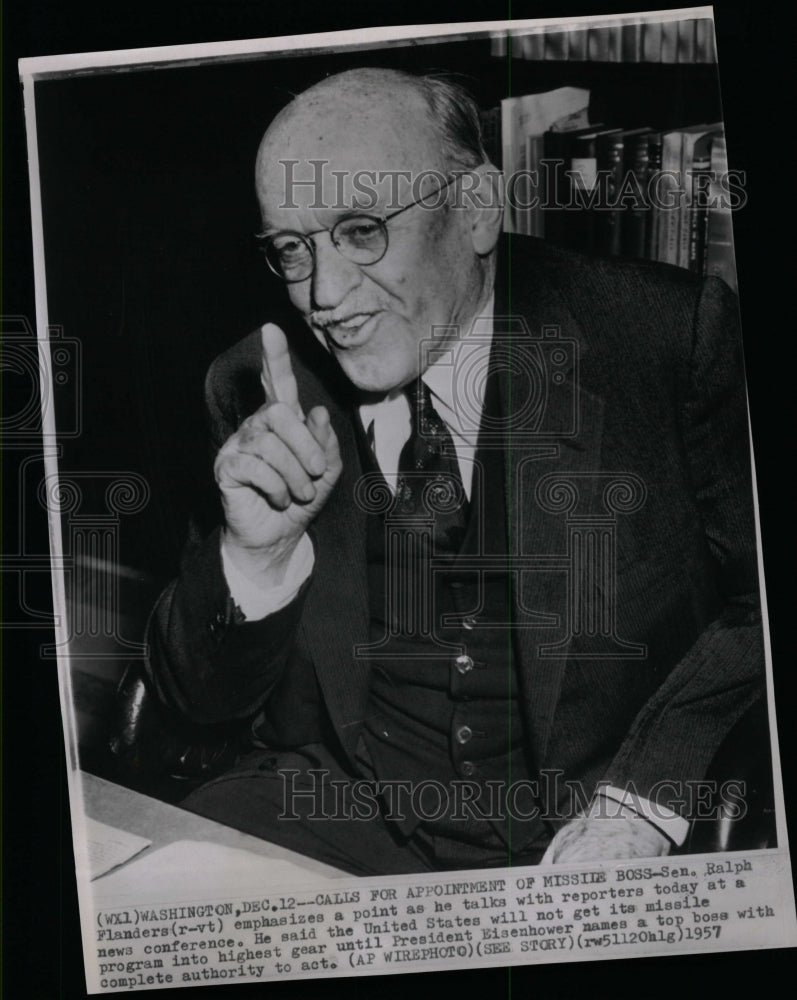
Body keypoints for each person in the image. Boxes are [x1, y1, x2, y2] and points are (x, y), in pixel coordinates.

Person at [145, 67, 764, 875]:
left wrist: (641, 801)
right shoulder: (257, 387)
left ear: (474, 209)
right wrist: (252, 558)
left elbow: (759, 606)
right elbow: (194, 702)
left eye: (362, 231)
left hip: (570, 833)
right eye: (292, 251)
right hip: (336, 810)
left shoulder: (664, 342)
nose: (323, 296)